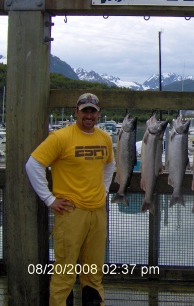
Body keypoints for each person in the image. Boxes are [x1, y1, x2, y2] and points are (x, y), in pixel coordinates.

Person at [25, 93, 115, 306]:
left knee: (93, 272)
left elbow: (110, 165)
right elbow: (33, 164)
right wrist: (49, 199)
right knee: (65, 272)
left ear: (99, 114)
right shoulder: (61, 137)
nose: (89, 115)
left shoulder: (105, 138)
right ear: (76, 112)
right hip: (70, 213)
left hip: (98, 212)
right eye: (85, 111)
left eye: (93, 111)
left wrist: (104, 190)